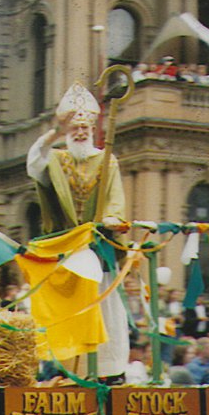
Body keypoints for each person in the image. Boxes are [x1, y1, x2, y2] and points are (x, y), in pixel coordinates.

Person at [26, 82, 128, 379]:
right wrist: (55, 132)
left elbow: (115, 198)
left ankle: (108, 370)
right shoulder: (58, 158)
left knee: (104, 306)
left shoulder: (108, 160)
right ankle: (70, 369)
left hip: (99, 245)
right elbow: (34, 164)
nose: (80, 133)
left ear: (94, 130)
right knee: (70, 310)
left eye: (84, 128)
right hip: (68, 246)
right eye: (74, 129)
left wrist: (111, 218)